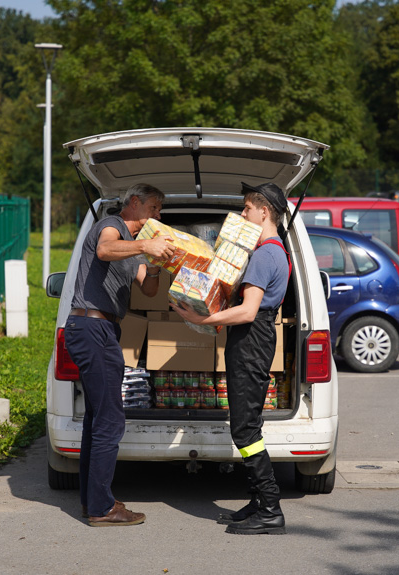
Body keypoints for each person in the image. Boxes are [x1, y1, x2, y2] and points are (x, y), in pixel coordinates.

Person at [171, 182, 291, 535]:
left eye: (246, 209)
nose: (243, 215)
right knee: (247, 423)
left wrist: (202, 319)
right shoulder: (272, 251)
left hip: (252, 340)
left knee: (244, 429)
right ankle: (257, 502)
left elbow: (249, 311)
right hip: (253, 340)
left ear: (263, 212)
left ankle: (270, 508)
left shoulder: (265, 254)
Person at [64, 183, 174, 526]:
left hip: (105, 330)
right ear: (135, 203)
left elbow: (149, 287)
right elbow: (104, 250)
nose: (158, 215)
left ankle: (92, 501)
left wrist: (155, 262)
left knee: (98, 419)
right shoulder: (110, 226)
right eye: (155, 208)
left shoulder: (134, 249)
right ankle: (102, 508)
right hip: (90, 326)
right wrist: (145, 244)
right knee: (111, 419)